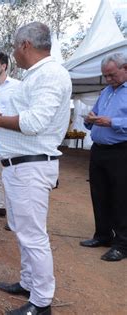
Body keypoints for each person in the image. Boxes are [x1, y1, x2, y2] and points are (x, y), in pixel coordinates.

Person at [0, 22, 71, 315]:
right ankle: (29, 282)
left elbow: (34, 123)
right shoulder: (36, 76)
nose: (13, 52)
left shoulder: (51, 75)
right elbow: (27, 118)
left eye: (15, 46)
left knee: (33, 235)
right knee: (22, 230)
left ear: (26, 45)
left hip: (31, 168)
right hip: (19, 166)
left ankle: (41, 303)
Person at [80, 52, 127, 262]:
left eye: (111, 75)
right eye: (105, 76)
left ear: (125, 68)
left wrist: (112, 122)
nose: (108, 79)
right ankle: (103, 235)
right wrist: (89, 120)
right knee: (99, 194)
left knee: (120, 197)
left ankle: (122, 244)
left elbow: (113, 121)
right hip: (99, 149)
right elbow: (94, 116)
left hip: (121, 151)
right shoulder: (106, 92)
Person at [0, 52, 20, 218]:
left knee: (11, 176)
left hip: (11, 138)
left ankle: (14, 215)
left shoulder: (17, 87)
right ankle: (0, 206)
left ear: (4, 66)